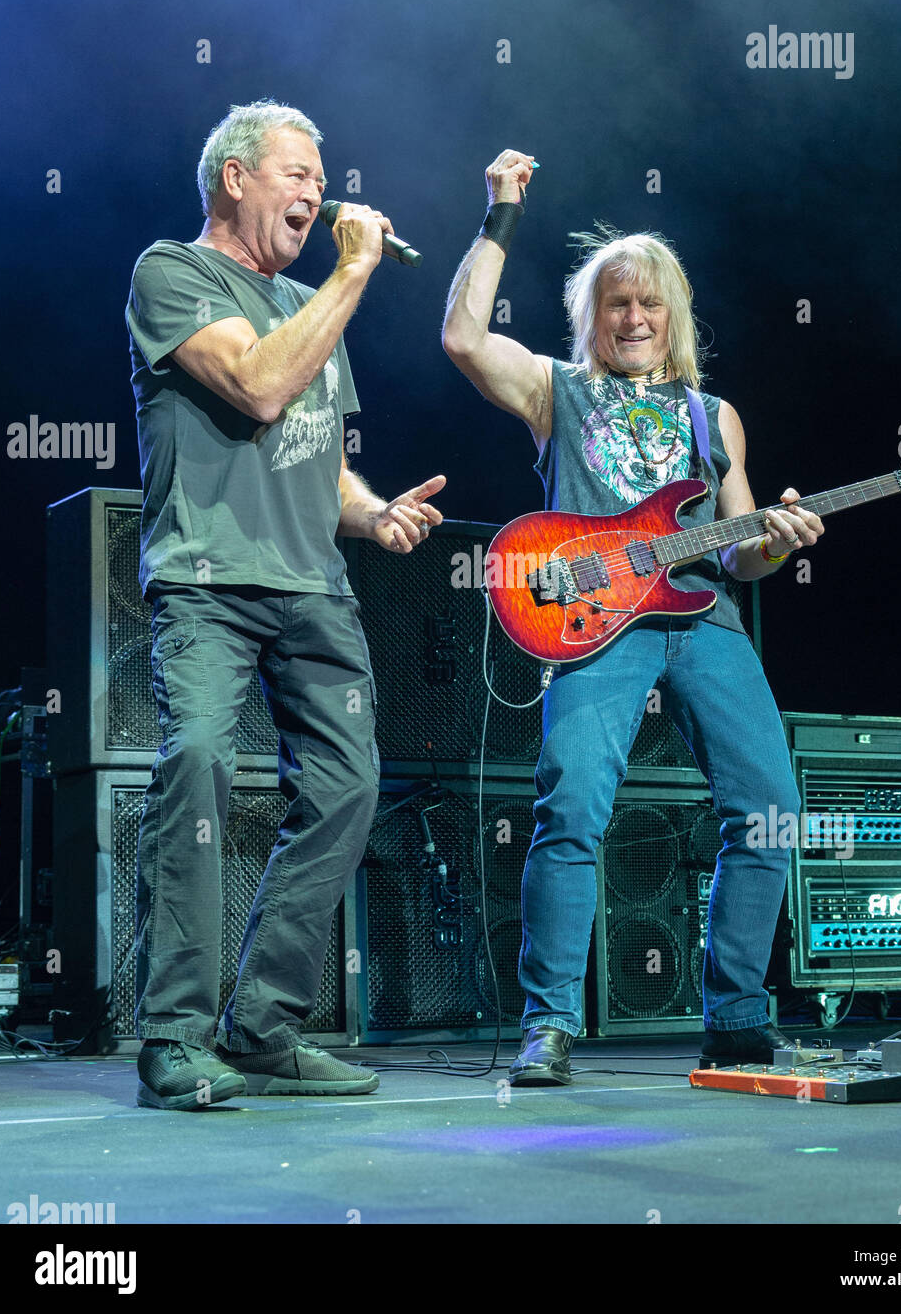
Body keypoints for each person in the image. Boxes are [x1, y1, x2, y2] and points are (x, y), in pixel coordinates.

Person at [442, 150, 823, 1085]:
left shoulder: (713, 415)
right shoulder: (558, 391)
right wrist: (500, 215)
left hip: (703, 620)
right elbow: (460, 337)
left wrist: (776, 541)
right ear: (594, 317)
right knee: (571, 808)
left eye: (650, 303)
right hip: (595, 618)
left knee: (770, 807)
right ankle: (551, 1024)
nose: (636, 317)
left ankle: (735, 1016)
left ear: (674, 315)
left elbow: (737, 550)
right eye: (617, 303)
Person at [126, 100, 445, 1110]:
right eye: (297, 173)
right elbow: (259, 388)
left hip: (312, 584)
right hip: (211, 581)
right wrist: (352, 275)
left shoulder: (312, 303)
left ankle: (262, 1026)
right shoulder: (171, 273)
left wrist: (374, 512)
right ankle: (173, 1035)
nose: (317, 190)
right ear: (235, 178)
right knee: (199, 764)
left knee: (350, 789)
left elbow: (309, 449)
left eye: (320, 175)